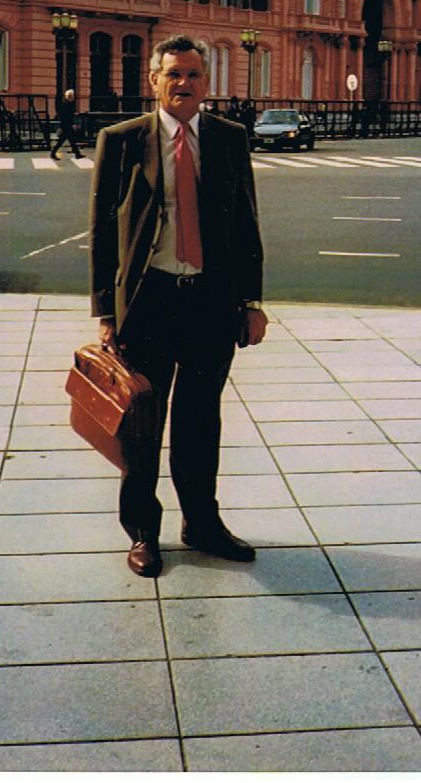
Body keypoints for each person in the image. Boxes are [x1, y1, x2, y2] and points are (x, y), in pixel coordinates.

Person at [89, 34, 267, 578]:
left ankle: (202, 523)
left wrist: (251, 301)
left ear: (205, 83)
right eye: (173, 74)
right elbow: (101, 234)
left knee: (199, 421)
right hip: (149, 301)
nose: (183, 84)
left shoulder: (229, 138)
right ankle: (143, 532)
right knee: (142, 425)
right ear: (153, 81)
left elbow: (245, 223)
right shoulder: (121, 141)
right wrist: (104, 314)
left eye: (193, 75)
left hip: (211, 302)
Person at [50, 89, 82, 160]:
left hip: (66, 125)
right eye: (73, 95)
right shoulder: (68, 104)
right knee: (65, 140)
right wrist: (72, 124)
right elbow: (67, 116)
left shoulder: (66, 104)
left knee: (70, 140)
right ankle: (53, 153)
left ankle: (77, 154)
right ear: (71, 96)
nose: (74, 96)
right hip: (67, 125)